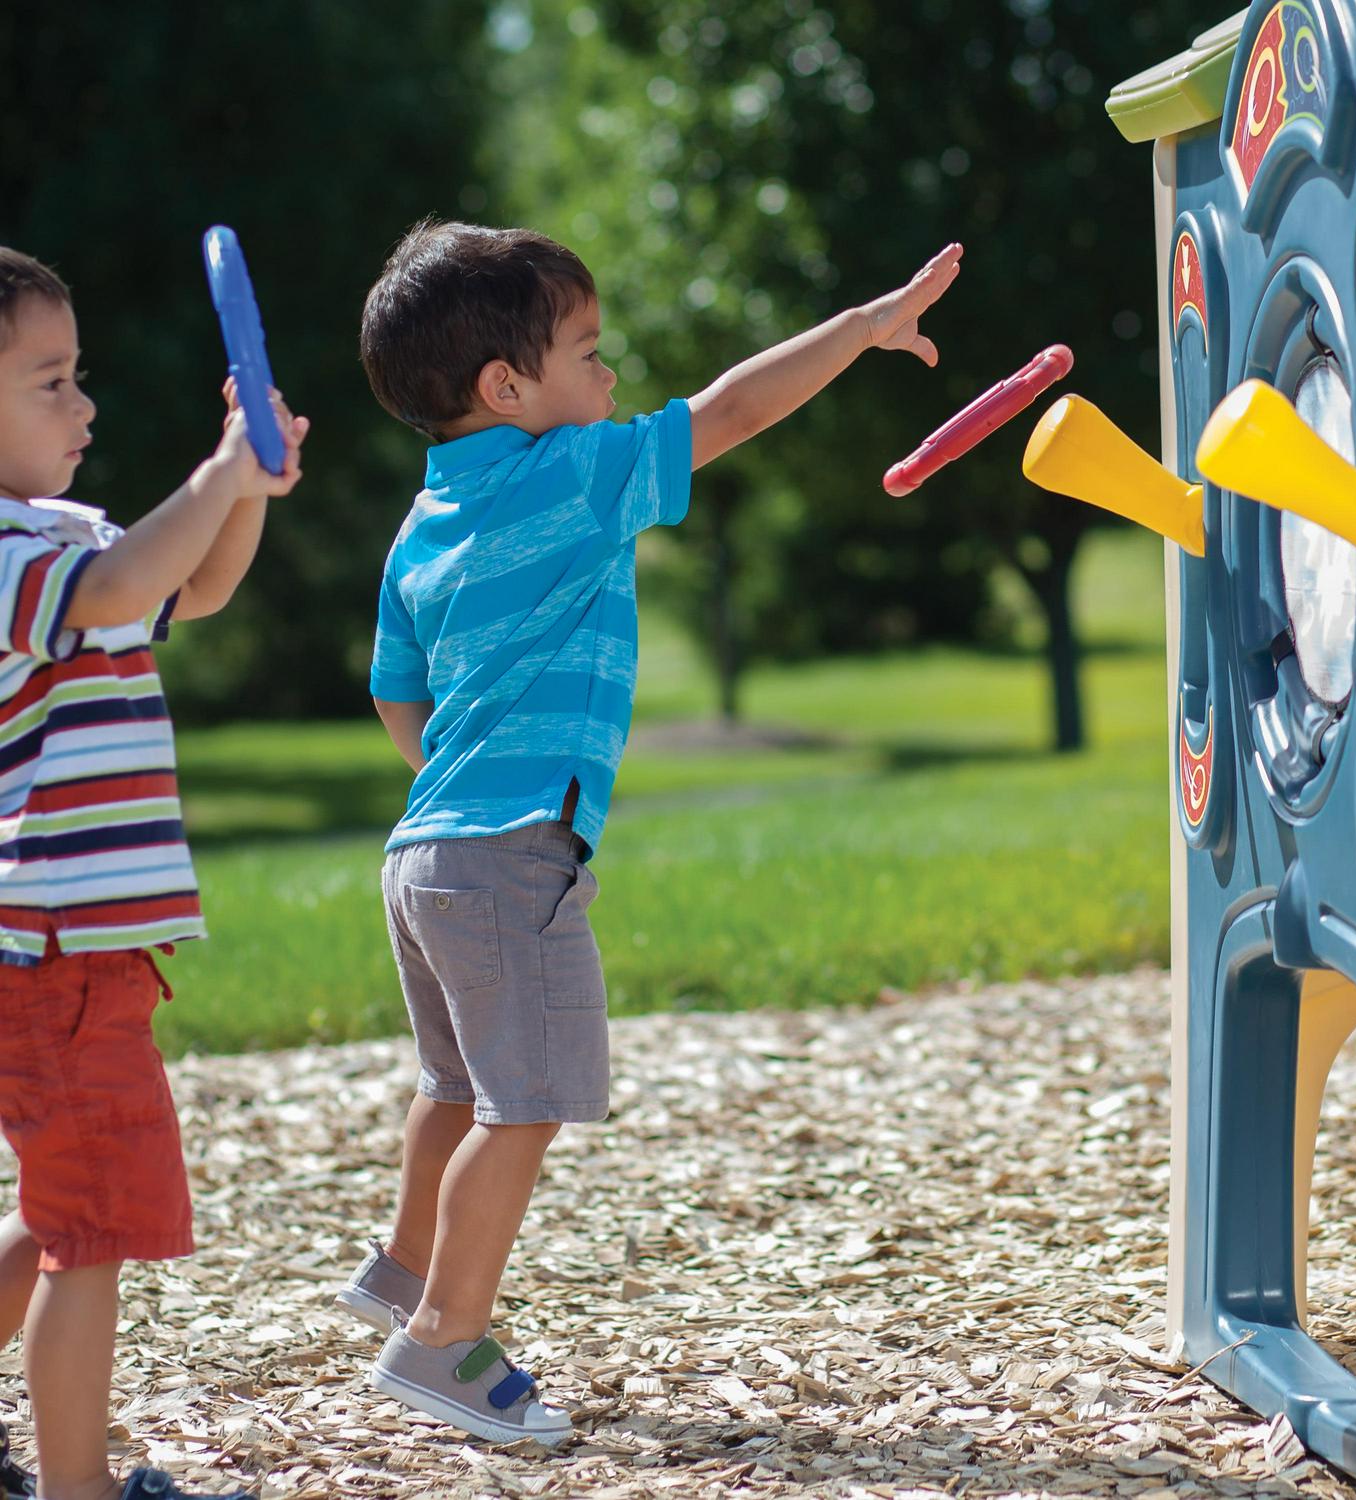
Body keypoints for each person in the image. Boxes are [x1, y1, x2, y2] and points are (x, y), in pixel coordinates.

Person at [342, 220, 961, 1443]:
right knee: (525, 1105)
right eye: (588, 352)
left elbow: (393, 697)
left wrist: (458, 779)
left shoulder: (421, 526)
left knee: (455, 1085)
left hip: (422, 855)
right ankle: (443, 1342)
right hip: (512, 850)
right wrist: (860, 329)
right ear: (504, 388)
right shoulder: (575, 472)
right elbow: (729, 413)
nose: (611, 377)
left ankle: (405, 1268)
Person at [0, 247, 309, 1500]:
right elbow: (126, 583)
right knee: (93, 1232)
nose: (84, 407)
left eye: (81, 379)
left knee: (62, 1208)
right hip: (55, 950)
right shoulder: (10, 556)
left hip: (87, 950)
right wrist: (221, 473)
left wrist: (248, 484)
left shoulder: (65, 531)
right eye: (50, 382)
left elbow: (200, 581)